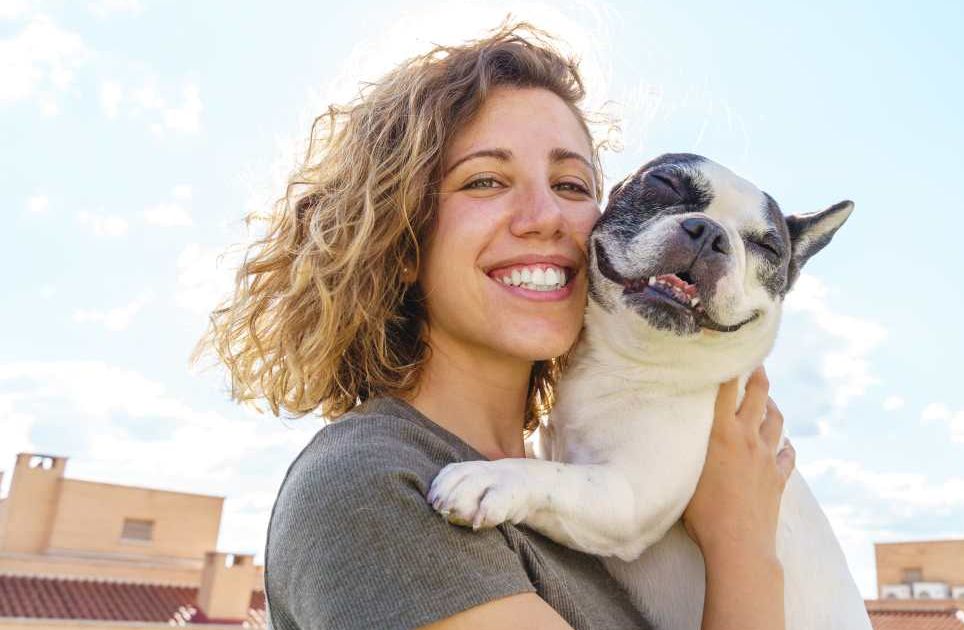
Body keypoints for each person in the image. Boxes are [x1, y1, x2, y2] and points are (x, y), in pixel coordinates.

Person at [200, 21, 796, 630]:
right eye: (485, 180)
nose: (545, 217)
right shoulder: (376, 490)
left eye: (570, 185)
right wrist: (744, 550)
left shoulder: (559, 496)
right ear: (399, 241)